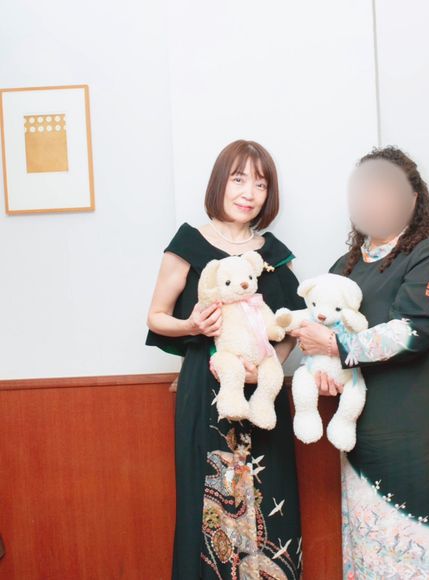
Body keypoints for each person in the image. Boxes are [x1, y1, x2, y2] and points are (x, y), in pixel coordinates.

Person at [291, 146, 429, 578]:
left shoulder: (428, 256)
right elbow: (320, 327)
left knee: (423, 542)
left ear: (413, 199)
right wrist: (327, 373)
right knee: (368, 539)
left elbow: (412, 331)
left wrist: (336, 346)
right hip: (363, 425)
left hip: (418, 426)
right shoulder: (345, 266)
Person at [146, 140, 305, 579]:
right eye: (239, 179)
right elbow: (156, 316)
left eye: (260, 184)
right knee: (207, 503)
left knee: (271, 499)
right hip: (205, 388)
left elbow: (292, 326)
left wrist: (269, 364)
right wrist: (192, 325)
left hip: (262, 395)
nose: (249, 192)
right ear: (220, 182)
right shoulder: (188, 243)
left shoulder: (272, 254)